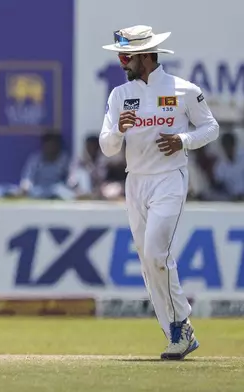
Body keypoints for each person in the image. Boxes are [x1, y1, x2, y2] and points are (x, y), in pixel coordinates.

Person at [100, 25, 219, 360]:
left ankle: (181, 325)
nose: (123, 62)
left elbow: (210, 127)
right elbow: (107, 148)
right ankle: (177, 333)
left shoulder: (183, 90)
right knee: (148, 260)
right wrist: (118, 132)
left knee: (156, 253)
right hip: (134, 181)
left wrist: (183, 141)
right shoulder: (119, 95)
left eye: (127, 56)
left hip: (169, 178)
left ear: (146, 56)